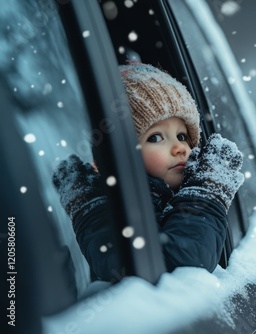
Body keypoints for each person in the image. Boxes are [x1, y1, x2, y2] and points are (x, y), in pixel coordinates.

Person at [52, 62, 245, 282]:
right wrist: (207, 196)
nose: (180, 148)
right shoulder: (118, 210)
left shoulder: (180, 193)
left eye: (182, 136)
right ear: (121, 155)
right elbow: (181, 266)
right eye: (155, 138)